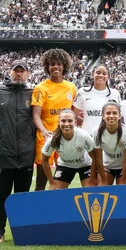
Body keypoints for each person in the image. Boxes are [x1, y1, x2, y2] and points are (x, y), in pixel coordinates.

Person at [0, 59, 34, 244]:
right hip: (4, 155)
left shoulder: (34, 93)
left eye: (22, 71)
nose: (19, 74)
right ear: (10, 71)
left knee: (22, 196)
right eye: (16, 70)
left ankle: (20, 230)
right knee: (2, 195)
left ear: (28, 74)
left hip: (26, 154)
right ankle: (0, 231)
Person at [31, 49, 77, 191]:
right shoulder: (40, 88)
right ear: (47, 67)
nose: (55, 67)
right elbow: (35, 115)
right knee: (41, 178)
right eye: (52, 64)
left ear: (64, 66)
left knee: (62, 176)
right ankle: (38, 208)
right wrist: (44, 131)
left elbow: (74, 113)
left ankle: (58, 207)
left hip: (65, 137)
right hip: (45, 137)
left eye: (58, 64)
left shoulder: (71, 87)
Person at [40, 109, 96, 189]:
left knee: (90, 190)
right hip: (65, 165)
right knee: (54, 191)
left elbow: (95, 157)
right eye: (63, 121)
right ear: (59, 122)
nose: (66, 124)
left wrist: (91, 181)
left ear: (75, 122)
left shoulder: (84, 136)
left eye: (70, 121)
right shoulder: (53, 139)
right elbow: (44, 160)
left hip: (86, 165)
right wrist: (51, 182)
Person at [93, 101, 126, 185]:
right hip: (107, 166)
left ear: (119, 116)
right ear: (103, 116)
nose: (111, 116)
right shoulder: (96, 131)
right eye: (108, 113)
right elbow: (98, 158)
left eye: (114, 113)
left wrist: (123, 179)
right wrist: (103, 178)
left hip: (124, 167)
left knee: (124, 188)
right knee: (102, 187)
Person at [73, 64, 122, 135]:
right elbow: (73, 115)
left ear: (108, 77)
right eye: (98, 73)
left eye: (104, 74)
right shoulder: (82, 92)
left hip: (107, 137)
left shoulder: (115, 94)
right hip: (87, 136)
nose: (101, 75)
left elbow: (119, 117)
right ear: (93, 74)